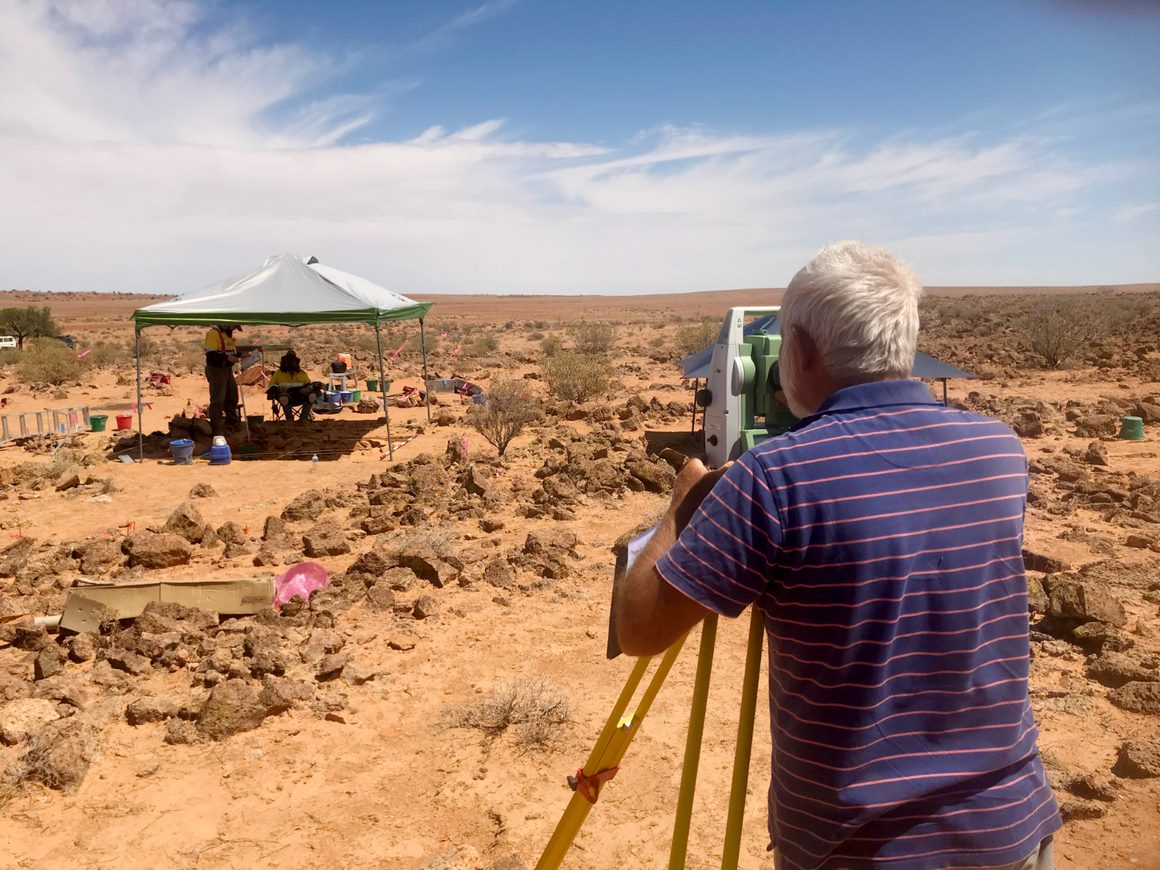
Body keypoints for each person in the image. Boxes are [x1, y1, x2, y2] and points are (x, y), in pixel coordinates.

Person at [616, 242, 1060, 870]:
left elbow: (639, 628)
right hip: (1010, 824)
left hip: (864, 848)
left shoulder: (773, 480)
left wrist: (683, 506)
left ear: (797, 349)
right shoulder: (999, 450)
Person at [203, 324, 241, 435]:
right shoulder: (213, 334)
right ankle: (217, 428)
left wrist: (242, 355)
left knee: (232, 396)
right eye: (233, 327)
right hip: (216, 370)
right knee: (218, 400)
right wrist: (227, 358)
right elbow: (211, 355)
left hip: (227, 369)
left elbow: (229, 352)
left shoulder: (228, 336)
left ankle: (231, 422)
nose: (234, 329)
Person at [267, 350, 318, 420]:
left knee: (312, 396)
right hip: (285, 396)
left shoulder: (302, 373)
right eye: (289, 361)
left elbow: (308, 383)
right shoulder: (278, 373)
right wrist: (276, 388)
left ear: (296, 362)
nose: (291, 363)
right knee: (284, 398)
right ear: (285, 362)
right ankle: (289, 418)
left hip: (300, 396)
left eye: (293, 361)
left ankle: (303, 418)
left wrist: (308, 388)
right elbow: (271, 385)